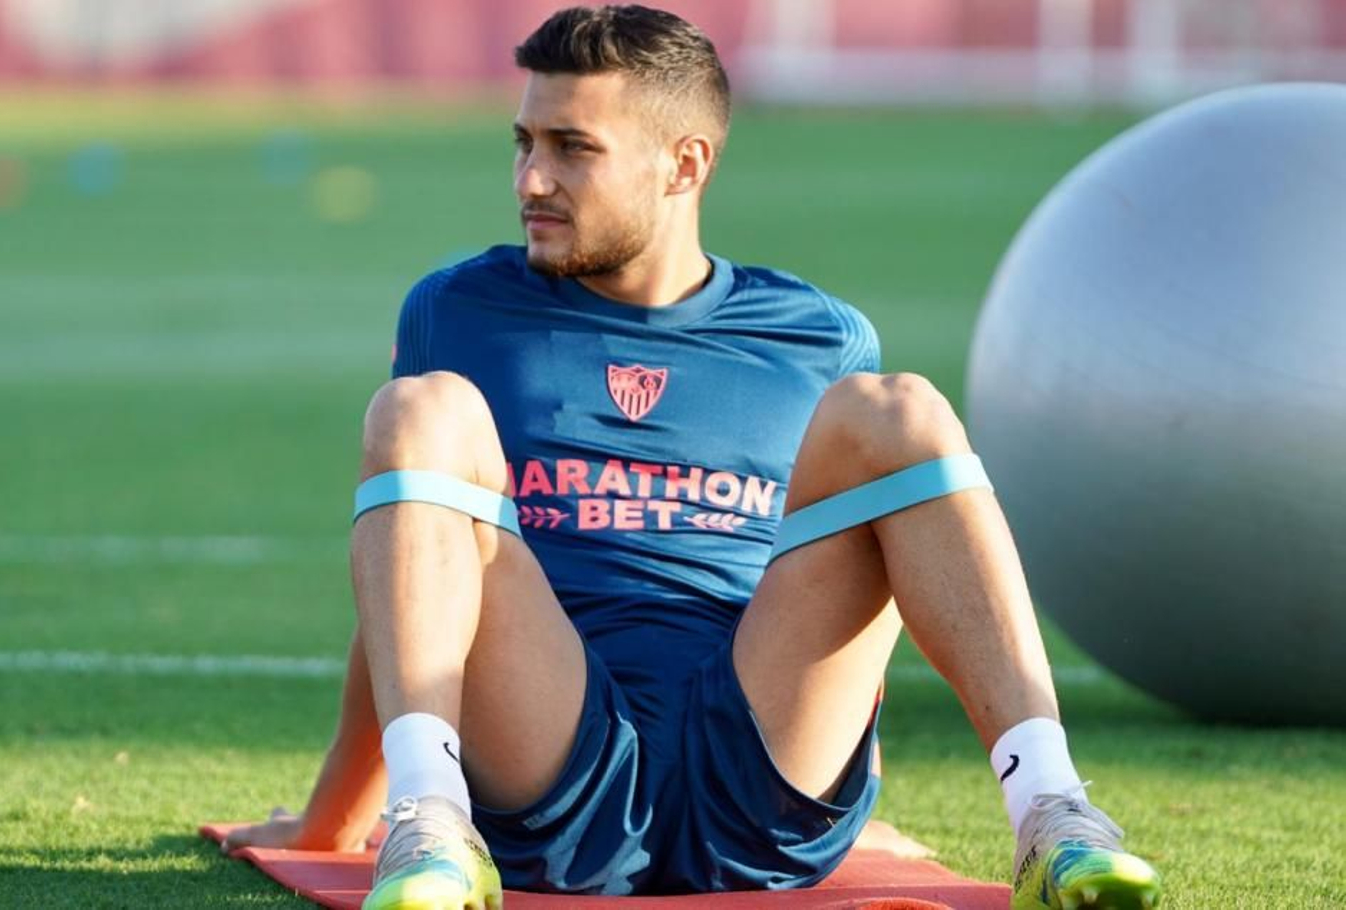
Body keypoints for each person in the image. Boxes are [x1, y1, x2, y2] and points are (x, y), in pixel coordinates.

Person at [225, 6, 1163, 909]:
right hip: (547, 760)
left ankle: (1051, 808)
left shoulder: (819, 338)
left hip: (762, 778)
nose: (530, 181)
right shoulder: (455, 312)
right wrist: (328, 821)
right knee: (419, 412)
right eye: (524, 142)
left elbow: (863, 604)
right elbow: (415, 576)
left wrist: (853, 781)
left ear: (686, 164)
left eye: (572, 149)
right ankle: (427, 818)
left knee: (900, 412)